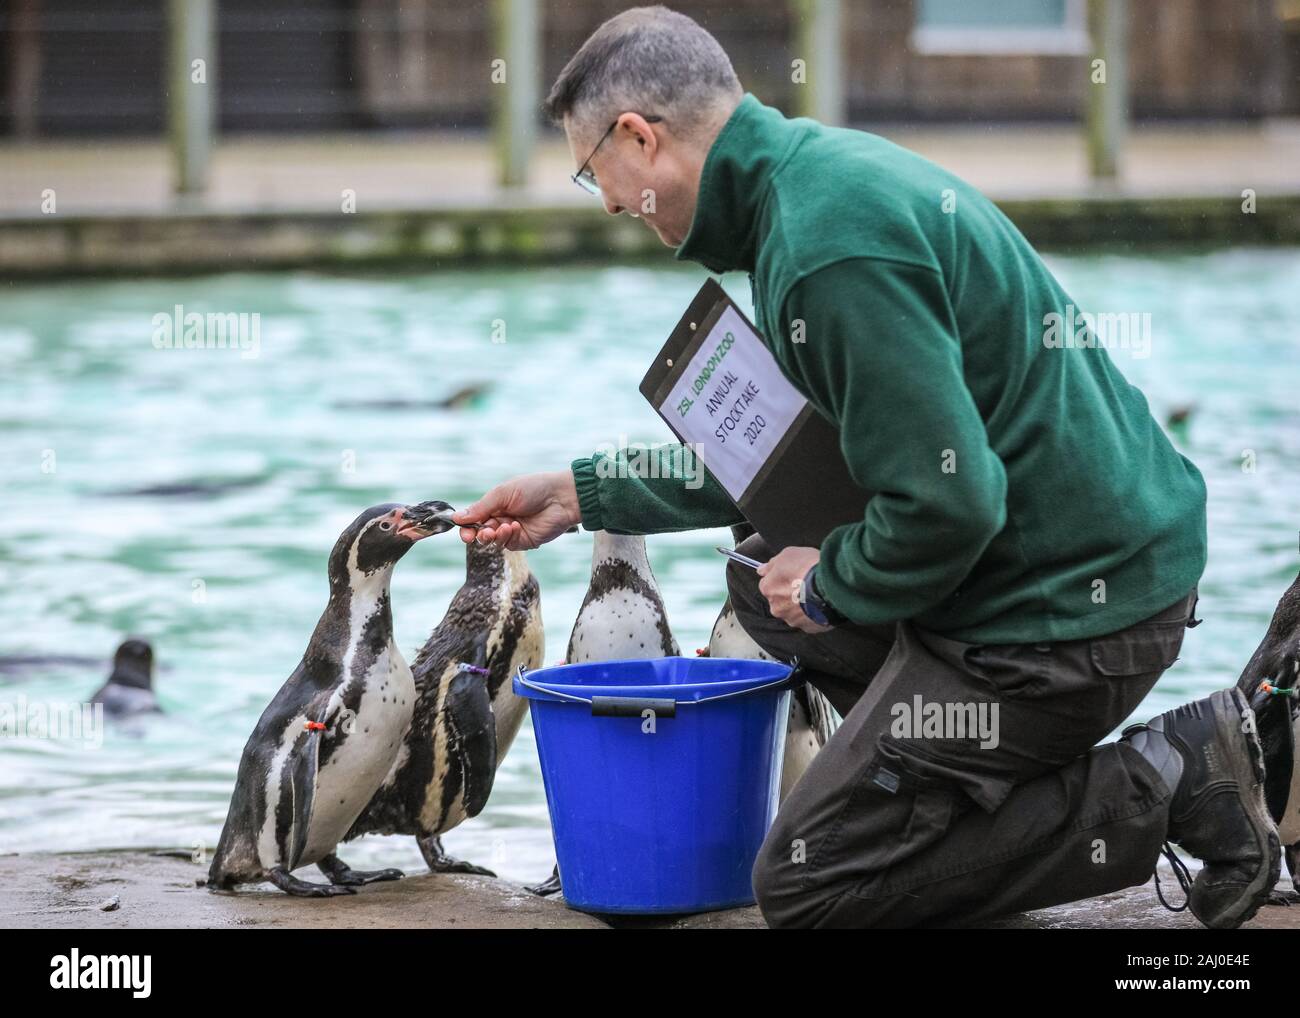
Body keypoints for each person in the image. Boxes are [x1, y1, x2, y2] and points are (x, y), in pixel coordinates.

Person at [451, 6, 1279, 929]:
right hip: (1056, 574)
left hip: (1069, 620)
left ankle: (1172, 779)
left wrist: (840, 580)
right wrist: (580, 492)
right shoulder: (810, 187)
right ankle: (972, 797)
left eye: (590, 171)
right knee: (764, 588)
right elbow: (787, 451)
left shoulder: (823, 252)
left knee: (808, 885)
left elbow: (953, 504)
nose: (603, 201)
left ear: (639, 139)